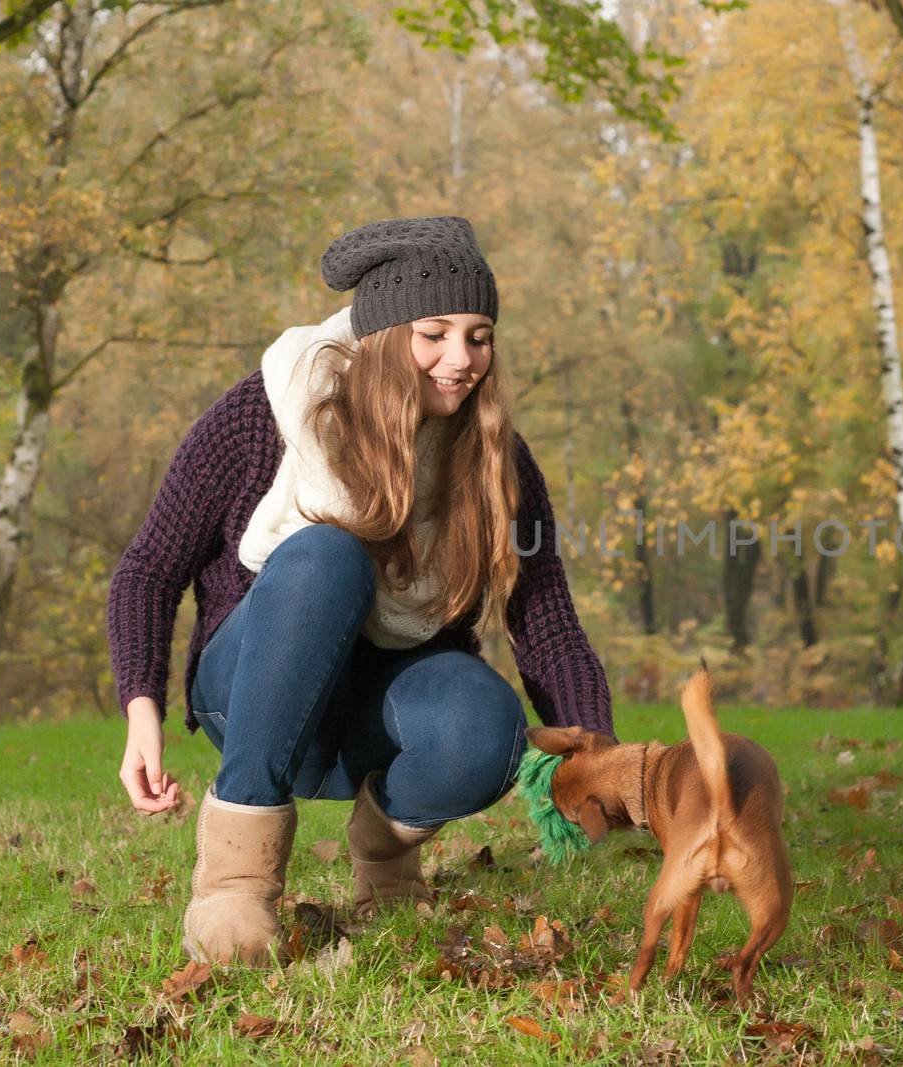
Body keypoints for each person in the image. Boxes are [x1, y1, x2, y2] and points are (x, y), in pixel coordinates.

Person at [104, 216, 614, 965]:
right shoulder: (271, 412)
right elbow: (148, 569)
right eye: (434, 333)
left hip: (379, 719)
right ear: (382, 334)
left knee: (485, 725)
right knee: (325, 557)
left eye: (479, 336)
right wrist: (140, 714)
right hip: (253, 695)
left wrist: (600, 760)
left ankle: (385, 856)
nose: (460, 358)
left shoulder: (495, 456)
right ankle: (234, 885)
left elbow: (548, 621)